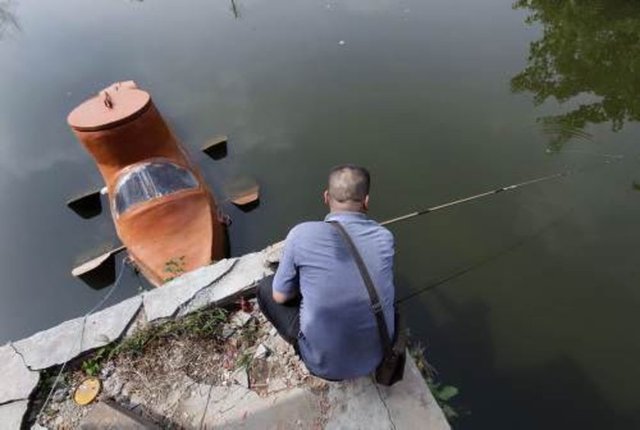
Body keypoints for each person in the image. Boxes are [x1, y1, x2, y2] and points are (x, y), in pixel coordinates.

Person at [257, 164, 396, 381]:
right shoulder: (385, 237)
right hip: (376, 358)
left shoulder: (301, 234)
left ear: (325, 197)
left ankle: (305, 349)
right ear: (366, 202)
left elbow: (280, 296)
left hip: (324, 366)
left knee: (267, 287)